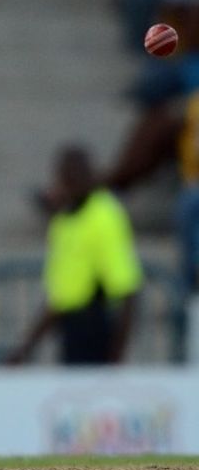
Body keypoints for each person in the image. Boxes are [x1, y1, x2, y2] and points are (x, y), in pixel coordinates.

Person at [7, 145, 143, 366]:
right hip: (73, 328)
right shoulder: (64, 221)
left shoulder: (104, 215)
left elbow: (127, 289)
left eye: (73, 177)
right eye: (64, 178)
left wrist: (117, 354)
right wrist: (25, 350)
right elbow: (62, 298)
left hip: (97, 324)